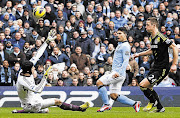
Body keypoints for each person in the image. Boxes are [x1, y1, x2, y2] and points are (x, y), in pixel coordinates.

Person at [12, 30, 89, 113]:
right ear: (28, 70)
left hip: (33, 98)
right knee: (57, 101)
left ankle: (24, 111)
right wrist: (45, 76)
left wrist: (47, 41)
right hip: (30, 104)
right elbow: (38, 89)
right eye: (32, 68)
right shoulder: (23, 80)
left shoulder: (25, 69)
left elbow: (38, 54)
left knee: (46, 110)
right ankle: (80, 109)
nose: (34, 68)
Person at [133, 17, 178, 113]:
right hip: (155, 66)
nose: (145, 27)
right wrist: (138, 54)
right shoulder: (151, 37)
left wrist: (174, 64)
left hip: (162, 68)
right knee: (148, 87)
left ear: (154, 26)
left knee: (142, 85)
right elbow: (152, 51)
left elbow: (174, 47)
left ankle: (152, 102)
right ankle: (160, 108)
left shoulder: (161, 37)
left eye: (147, 25)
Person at [96, 27, 141, 112]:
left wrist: (119, 72)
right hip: (117, 73)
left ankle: (106, 104)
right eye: (117, 33)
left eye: (120, 33)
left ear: (125, 35)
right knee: (114, 95)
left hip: (118, 73)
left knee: (99, 82)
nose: (118, 35)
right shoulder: (120, 44)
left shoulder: (126, 46)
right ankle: (135, 103)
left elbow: (125, 60)